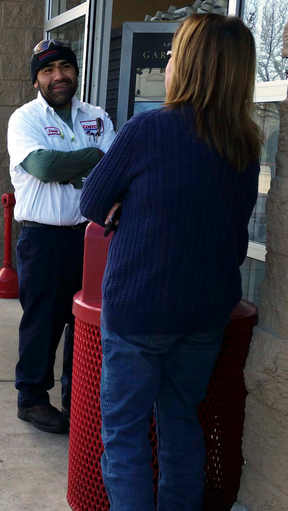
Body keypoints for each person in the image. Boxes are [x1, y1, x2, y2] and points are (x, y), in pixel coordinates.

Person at [79, 14, 260, 511]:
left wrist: (123, 207)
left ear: (193, 66)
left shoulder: (148, 129)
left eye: (176, 53)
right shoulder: (245, 145)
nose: (170, 60)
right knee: (182, 423)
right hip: (204, 315)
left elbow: (92, 202)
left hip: (139, 309)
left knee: (125, 436)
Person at [6, 39, 115, 434]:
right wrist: (90, 161)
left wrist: (82, 167)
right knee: (43, 323)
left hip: (90, 238)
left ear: (75, 72)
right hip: (43, 239)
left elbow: (114, 171)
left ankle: (77, 400)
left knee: (83, 325)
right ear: (36, 78)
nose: (58, 77)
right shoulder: (25, 119)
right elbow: (43, 165)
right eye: (48, 71)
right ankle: (31, 398)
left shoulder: (97, 117)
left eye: (65, 68)